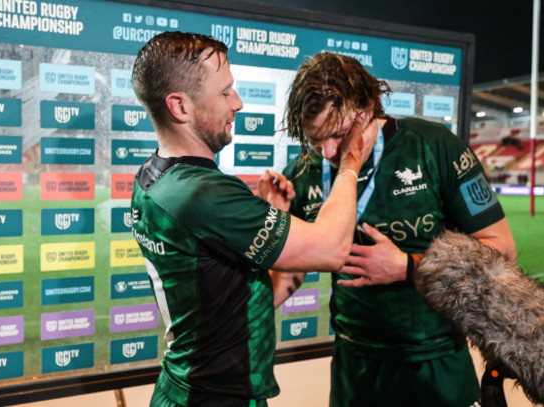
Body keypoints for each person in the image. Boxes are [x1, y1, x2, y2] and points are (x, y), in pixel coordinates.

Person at [130, 33, 376, 407]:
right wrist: (351, 161)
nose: (239, 103)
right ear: (179, 106)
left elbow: (240, 300)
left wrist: (271, 218)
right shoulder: (204, 195)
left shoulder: (151, 176)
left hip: (184, 387)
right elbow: (332, 249)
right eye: (226, 92)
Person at [272, 52, 517, 407]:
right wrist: (275, 226)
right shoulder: (304, 171)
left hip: (436, 362)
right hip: (353, 368)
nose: (327, 152)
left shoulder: (434, 147)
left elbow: (502, 251)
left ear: (367, 106)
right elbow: (287, 279)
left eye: (338, 134)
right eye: (315, 140)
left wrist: (407, 266)